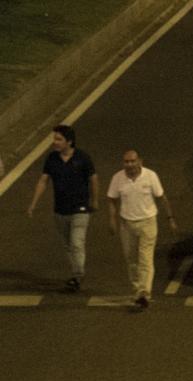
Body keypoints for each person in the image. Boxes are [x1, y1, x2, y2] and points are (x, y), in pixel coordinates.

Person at [26, 125, 98, 292]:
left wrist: (94, 201)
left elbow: (93, 179)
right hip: (60, 210)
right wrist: (33, 203)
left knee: (76, 243)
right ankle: (76, 275)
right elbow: (43, 181)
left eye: (59, 139)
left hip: (80, 209)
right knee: (68, 245)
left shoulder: (83, 158)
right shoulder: (52, 159)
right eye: (54, 139)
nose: (55, 142)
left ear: (69, 141)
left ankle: (78, 274)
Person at [106, 150, 176, 309]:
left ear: (140, 162)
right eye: (126, 162)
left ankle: (144, 292)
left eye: (132, 161)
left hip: (148, 222)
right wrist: (112, 219)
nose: (129, 165)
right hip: (126, 224)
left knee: (145, 258)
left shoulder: (151, 176)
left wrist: (170, 218)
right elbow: (111, 199)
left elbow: (161, 198)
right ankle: (137, 290)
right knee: (131, 259)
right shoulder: (118, 178)